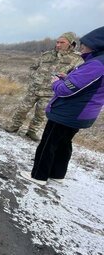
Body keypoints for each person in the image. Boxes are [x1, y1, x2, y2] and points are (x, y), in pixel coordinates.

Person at [20, 26, 104, 186]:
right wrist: (69, 77)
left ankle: (38, 175)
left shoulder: (97, 64)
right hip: (82, 113)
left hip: (70, 112)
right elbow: (87, 85)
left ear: (97, 43)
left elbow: (66, 90)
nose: (82, 47)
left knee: (48, 142)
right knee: (64, 142)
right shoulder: (98, 61)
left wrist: (57, 83)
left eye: (85, 44)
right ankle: (57, 174)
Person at [4, 32, 83, 141]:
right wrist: (35, 77)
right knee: (22, 109)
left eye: (62, 42)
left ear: (70, 43)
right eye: (57, 42)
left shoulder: (76, 59)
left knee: (41, 114)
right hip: (34, 89)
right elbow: (33, 67)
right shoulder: (47, 55)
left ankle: (32, 131)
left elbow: (75, 77)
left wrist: (64, 81)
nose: (58, 45)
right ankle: (14, 126)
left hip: (50, 92)